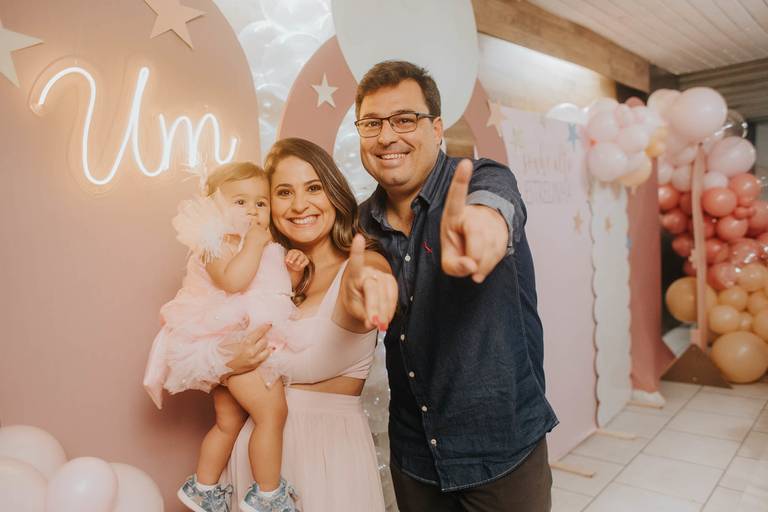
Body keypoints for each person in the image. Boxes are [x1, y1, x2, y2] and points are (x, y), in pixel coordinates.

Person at [354, 61, 559, 511]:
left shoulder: (483, 178)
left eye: (404, 119)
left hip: (502, 453)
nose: (386, 136)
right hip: (414, 457)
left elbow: (494, 208)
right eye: (372, 123)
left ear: (436, 128)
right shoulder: (364, 220)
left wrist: (481, 232)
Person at [225, 138, 396, 512]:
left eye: (314, 188)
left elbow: (367, 279)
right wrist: (226, 363)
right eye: (284, 192)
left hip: (326, 459)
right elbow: (201, 338)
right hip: (253, 465)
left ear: (334, 193)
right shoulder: (262, 272)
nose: (300, 205)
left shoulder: (361, 263)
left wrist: (371, 285)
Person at [143, 161, 313, 512]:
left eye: (260, 203)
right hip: (228, 339)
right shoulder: (215, 242)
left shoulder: (263, 245)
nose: (252, 211)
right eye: (240, 202)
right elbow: (233, 282)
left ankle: (203, 488)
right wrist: (254, 244)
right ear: (215, 207)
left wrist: (293, 273)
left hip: (239, 338)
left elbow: (272, 291)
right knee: (272, 414)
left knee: (229, 422)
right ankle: (268, 495)